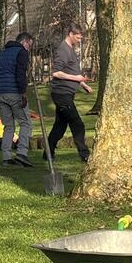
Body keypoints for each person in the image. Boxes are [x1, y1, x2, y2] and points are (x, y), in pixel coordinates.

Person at [47, 24, 91, 162]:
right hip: (61, 94)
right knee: (77, 124)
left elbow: (72, 71)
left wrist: (82, 83)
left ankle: (48, 153)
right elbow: (56, 72)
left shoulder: (70, 49)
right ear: (71, 34)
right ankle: (85, 154)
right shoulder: (63, 50)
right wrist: (76, 78)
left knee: (59, 126)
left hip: (67, 93)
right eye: (78, 38)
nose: (79, 40)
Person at [0, 32, 34, 168]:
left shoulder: (3, 53)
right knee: (26, 123)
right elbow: (20, 73)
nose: (29, 49)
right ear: (25, 42)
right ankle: (22, 153)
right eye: (29, 45)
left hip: (0, 92)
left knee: (8, 126)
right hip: (14, 92)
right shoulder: (21, 53)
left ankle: (6, 157)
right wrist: (23, 92)